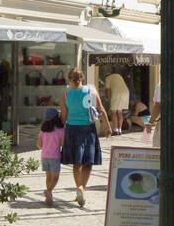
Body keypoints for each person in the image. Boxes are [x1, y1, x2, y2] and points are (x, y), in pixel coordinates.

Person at [60, 68, 109, 208]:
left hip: (72, 130)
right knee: (88, 162)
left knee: (77, 162)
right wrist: (108, 127)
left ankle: (78, 187)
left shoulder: (66, 95)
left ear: (69, 79)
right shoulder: (90, 91)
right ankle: (82, 188)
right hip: (88, 129)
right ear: (82, 78)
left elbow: (63, 117)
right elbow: (101, 109)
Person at [36, 107, 64, 207]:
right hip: (55, 156)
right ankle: (49, 191)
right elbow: (62, 144)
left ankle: (49, 196)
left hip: (44, 156)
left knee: (48, 177)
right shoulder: (60, 130)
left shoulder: (43, 130)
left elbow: (39, 144)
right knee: (55, 178)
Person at [103, 70, 129, 134]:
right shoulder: (118, 76)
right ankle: (120, 129)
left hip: (116, 94)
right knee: (119, 112)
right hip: (125, 93)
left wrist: (109, 101)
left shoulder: (108, 78)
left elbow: (108, 90)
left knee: (113, 112)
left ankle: (115, 130)